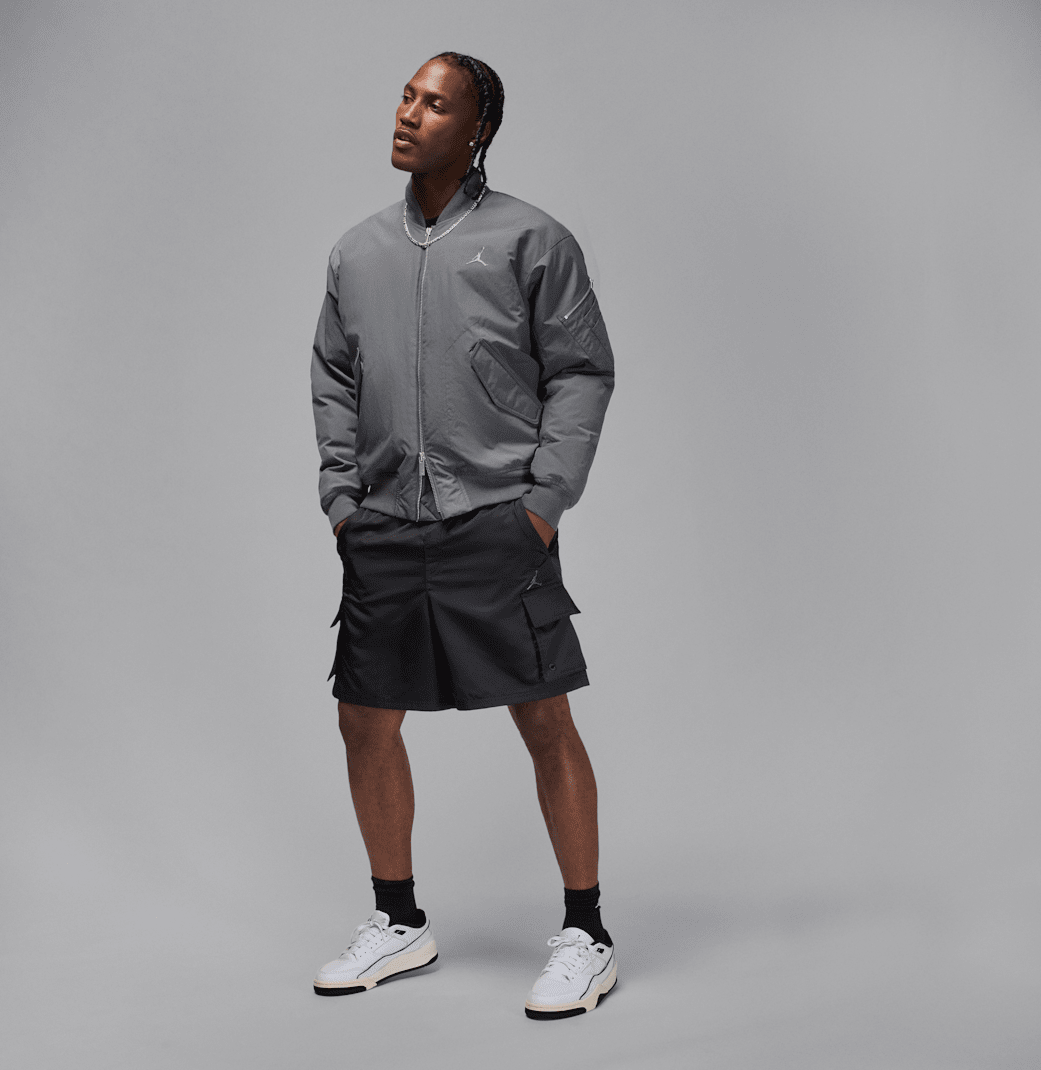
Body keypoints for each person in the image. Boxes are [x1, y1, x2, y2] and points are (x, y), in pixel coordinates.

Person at [309, 52, 616, 1020]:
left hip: (497, 520)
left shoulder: (532, 239)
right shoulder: (357, 251)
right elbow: (332, 376)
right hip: (384, 524)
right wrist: (342, 500)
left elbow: (581, 370)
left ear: (476, 127)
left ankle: (586, 933)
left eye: (435, 103)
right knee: (364, 718)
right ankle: (397, 917)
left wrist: (543, 501)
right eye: (407, 96)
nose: (409, 113)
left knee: (542, 717)